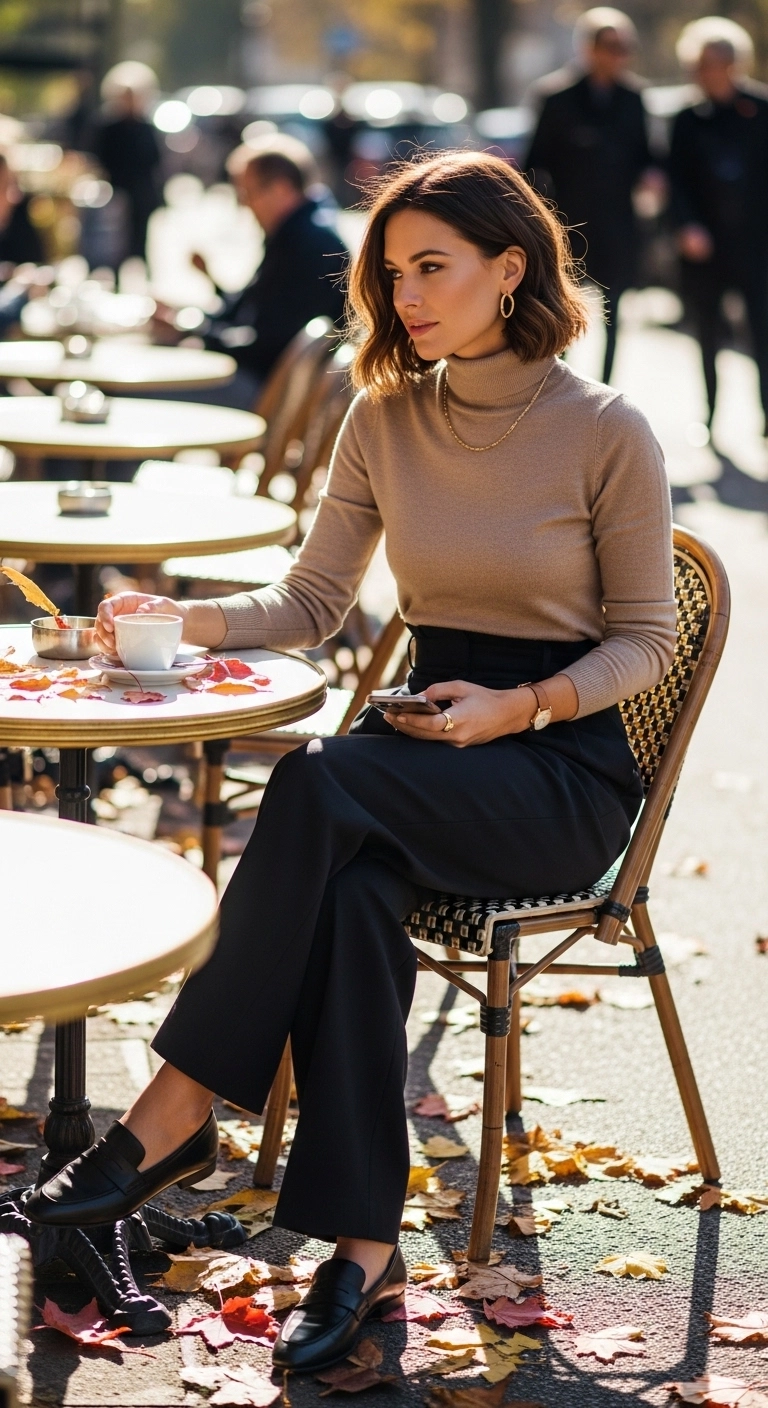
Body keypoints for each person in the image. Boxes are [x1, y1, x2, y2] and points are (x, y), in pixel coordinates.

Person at [26, 151, 675, 1371]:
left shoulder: (607, 430)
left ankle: (166, 1121)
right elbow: (316, 598)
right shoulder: (388, 416)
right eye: (394, 273)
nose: (409, 295)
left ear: (511, 267)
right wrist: (173, 617)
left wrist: (523, 705)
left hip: (556, 771)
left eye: (434, 267)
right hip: (426, 743)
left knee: (317, 778)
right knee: (359, 894)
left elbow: (648, 636)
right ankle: (363, 1251)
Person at [154, 135, 348, 410]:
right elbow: (252, 311)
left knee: (143, 399)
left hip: (268, 394)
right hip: (264, 381)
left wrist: (193, 330)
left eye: (247, 194)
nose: (244, 205)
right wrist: (190, 319)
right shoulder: (301, 232)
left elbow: (263, 343)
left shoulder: (309, 244)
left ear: (281, 189)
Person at [524, 7, 656, 382]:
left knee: (615, 313)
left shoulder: (634, 99)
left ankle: (605, 392)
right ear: (589, 48)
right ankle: (560, 386)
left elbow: (646, 157)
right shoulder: (556, 98)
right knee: (562, 310)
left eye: (624, 47)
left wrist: (652, 179)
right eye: (609, 46)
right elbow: (534, 167)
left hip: (618, 224)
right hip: (567, 223)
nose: (617, 55)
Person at [669, 18, 768, 435]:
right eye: (705, 64)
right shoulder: (686, 119)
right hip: (703, 246)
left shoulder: (760, 109)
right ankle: (710, 417)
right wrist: (686, 225)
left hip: (755, 243)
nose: (714, 72)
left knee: (762, 334)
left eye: (722, 63)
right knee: (706, 334)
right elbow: (673, 181)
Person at [94, 61, 162, 265]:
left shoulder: (145, 127)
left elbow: (155, 158)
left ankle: (143, 266)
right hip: (117, 190)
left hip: (141, 192)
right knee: (114, 239)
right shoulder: (108, 127)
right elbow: (100, 156)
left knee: (141, 236)